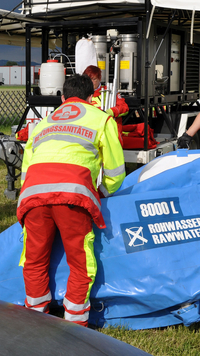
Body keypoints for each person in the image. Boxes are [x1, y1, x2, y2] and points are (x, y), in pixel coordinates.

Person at [17, 74, 126, 327]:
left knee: (34, 258)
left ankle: (34, 316)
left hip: (33, 195)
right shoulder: (101, 119)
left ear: (63, 98)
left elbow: (26, 168)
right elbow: (116, 171)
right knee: (80, 260)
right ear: (92, 97)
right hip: (73, 197)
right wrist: (103, 193)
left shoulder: (44, 123)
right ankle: (76, 323)